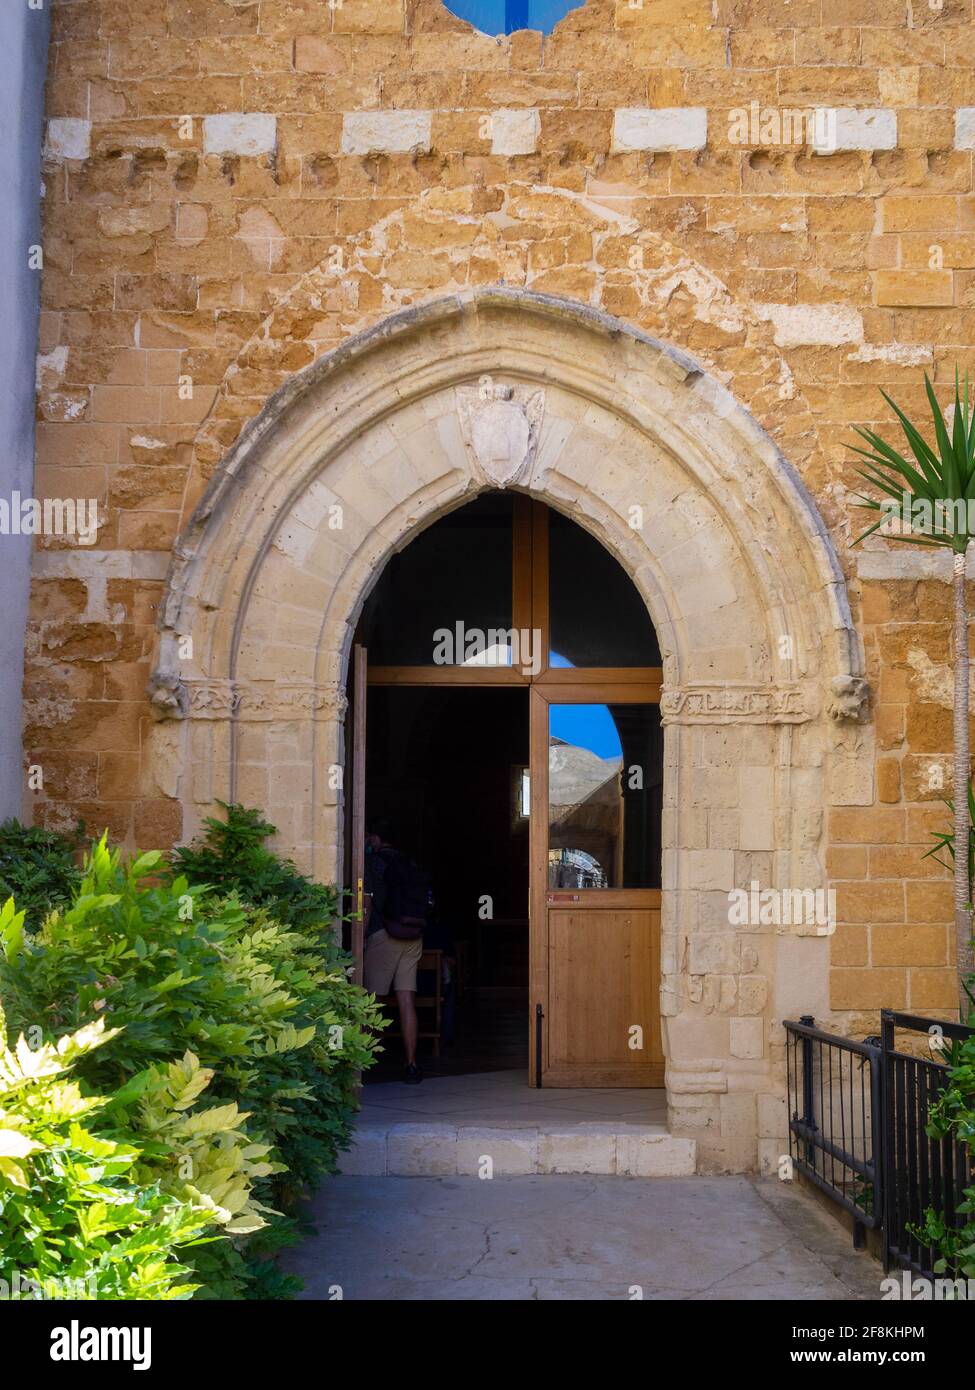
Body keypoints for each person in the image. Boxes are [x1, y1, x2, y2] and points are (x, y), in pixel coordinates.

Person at [363, 819, 429, 1084]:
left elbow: (365, 904)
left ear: (376, 839)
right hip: (412, 936)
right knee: (406, 1001)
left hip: (383, 936)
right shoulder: (409, 862)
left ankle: (362, 1064)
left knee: (370, 1004)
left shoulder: (373, 864)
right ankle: (411, 1063)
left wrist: (361, 939)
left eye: (369, 838)